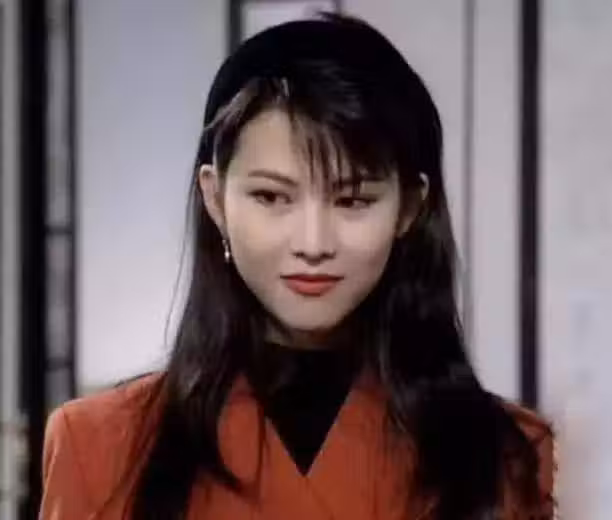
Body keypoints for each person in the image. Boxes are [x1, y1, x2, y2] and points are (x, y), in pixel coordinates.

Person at [40, 13, 555, 520]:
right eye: (271, 197)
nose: (313, 243)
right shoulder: (98, 448)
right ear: (215, 199)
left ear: (408, 209)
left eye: (352, 201)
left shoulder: (502, 456)